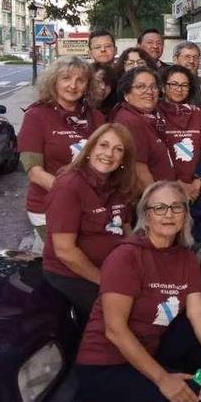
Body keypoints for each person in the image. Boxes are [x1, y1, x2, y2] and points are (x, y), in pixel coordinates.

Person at [76, 181, 201, 402]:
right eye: (159, 208)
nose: (168, 214)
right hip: (106, 365)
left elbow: (198, 311)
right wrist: (163, 379)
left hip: (150, 354)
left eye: (176, 207)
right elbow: (114, 329)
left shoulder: (186, 257)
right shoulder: (126, 256)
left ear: (185, 216)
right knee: (182, 395)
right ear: (146, 216)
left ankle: (197, 390)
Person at [42, 123, 137, 317]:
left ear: (123, 159)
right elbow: (65, 251)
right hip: (75, 275)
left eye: (118, 149)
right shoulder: (68, 186)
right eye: (103, 145)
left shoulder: (119, 185)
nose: (109, 154)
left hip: (113, 270)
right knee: (123, 313)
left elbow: (127, 231)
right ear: (90, 148)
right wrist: (105, 282)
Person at [19, 56, 106, 246]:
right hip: (48, 207)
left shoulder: (97, 117)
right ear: (54, 81)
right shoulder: (36, 115)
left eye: (80, 80)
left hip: (90, 207)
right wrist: (77, 195)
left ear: (88, 85)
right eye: (66, 78)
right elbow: (35, 173)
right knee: (64, 261)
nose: (73, 85)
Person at [112, 66, 176, 186]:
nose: (149, 92)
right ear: (126, 93)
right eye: (141, 87)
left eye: (153, 87)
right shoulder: (129, 121)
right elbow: (139, 169)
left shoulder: (152, 117)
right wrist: (157, 200)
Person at [158, 65, 201, 202]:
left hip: (196, 189)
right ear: (163, 87)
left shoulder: (197, 113)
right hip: (166, 188)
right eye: (173, 84)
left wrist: (197, 182)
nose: (179, 89)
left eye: (184, 85)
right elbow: (158, 155)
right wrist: (177, 184)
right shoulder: (156, 113)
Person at [172, 41, 201, 106]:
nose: (191, 60)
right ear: (175, 59)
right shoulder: (164, 84)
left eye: (195, 57)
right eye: (187, 57)